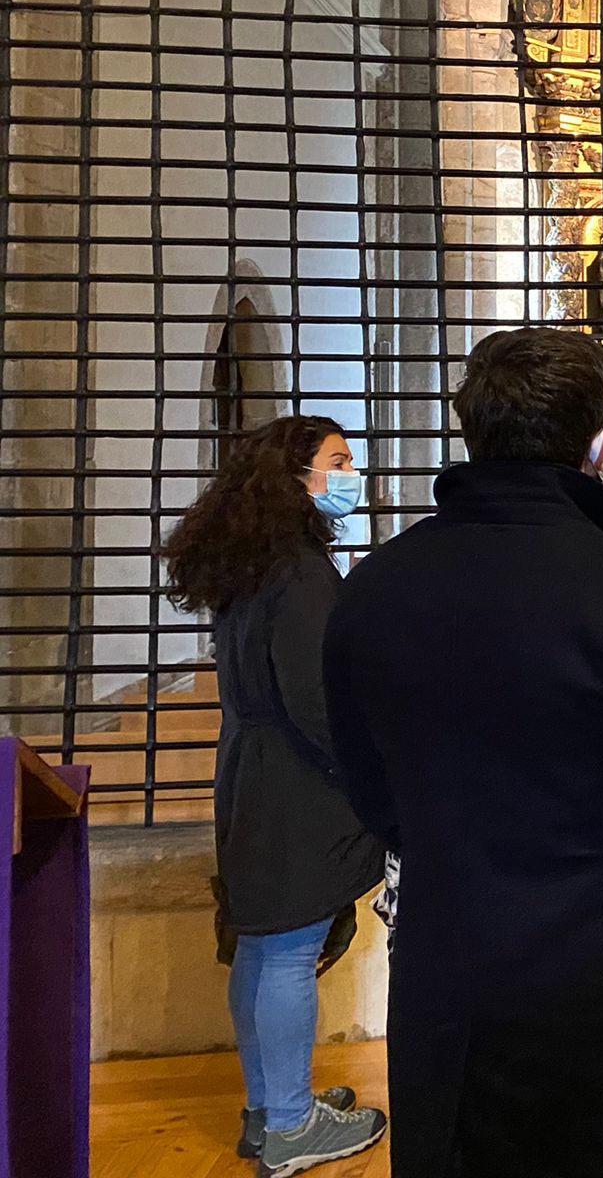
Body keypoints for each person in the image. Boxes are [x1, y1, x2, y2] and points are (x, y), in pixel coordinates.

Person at [323, 327, 603, 1178]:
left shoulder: (375, 588)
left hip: (457, 962)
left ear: (471, 434)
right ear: (602, 444)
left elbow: (366, 782)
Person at [163, 414, 389, 1177]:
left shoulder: (252, 561)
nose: (352, 472)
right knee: (288, 948)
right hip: (298, 781)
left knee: (264, 948)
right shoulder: (297, 569)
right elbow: (317, 696)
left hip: (255, 767)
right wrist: (370, 768)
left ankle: (270, 1110)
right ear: (295, 478)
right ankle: (291, 1128)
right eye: (338, 460)